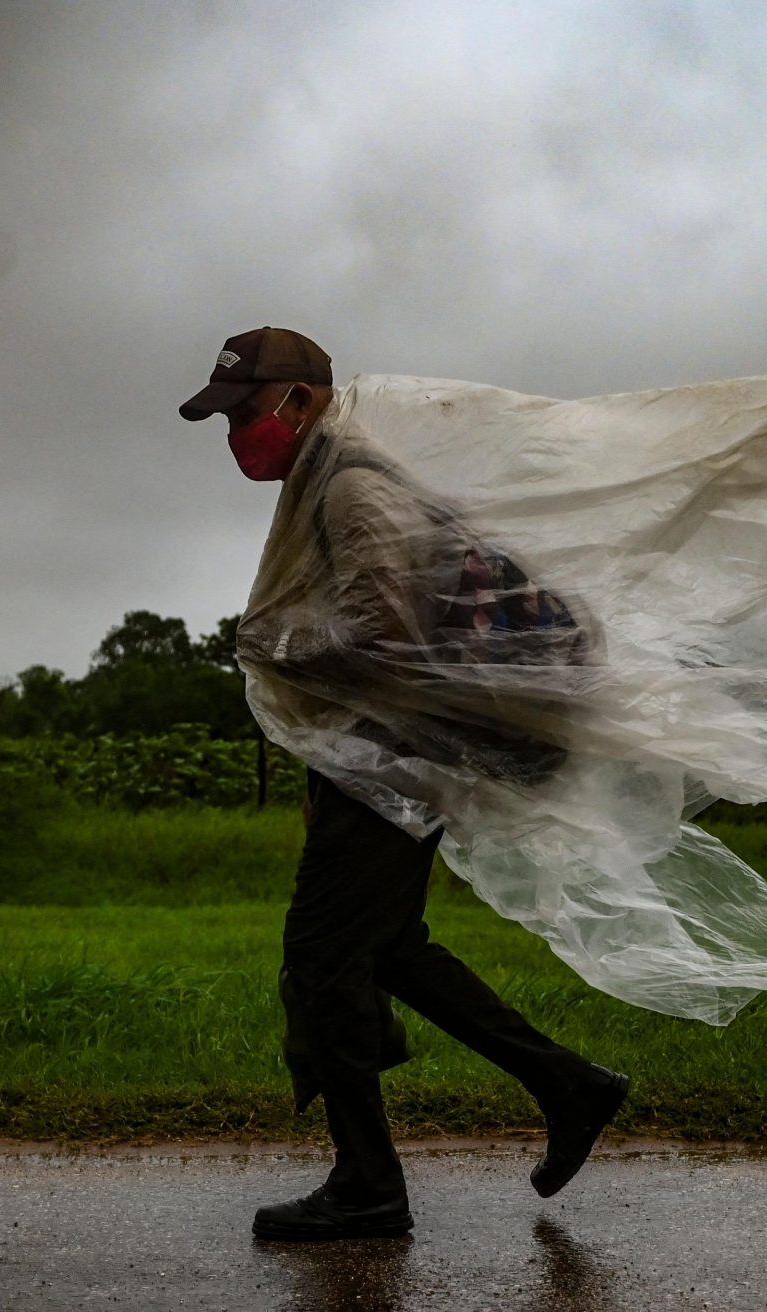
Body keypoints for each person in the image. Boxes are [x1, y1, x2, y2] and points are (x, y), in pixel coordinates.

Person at [180, 326, 629, 1242]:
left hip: (399, 758)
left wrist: (274, 648)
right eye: (224, 421)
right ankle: (570, 1086)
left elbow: (384, 640)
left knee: (321, 956)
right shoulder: (338, 478)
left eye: (245, 414)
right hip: (388, 759)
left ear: (300, 401)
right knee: (386, 949)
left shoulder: (349, 488)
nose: (236, 438)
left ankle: (369, 1187)